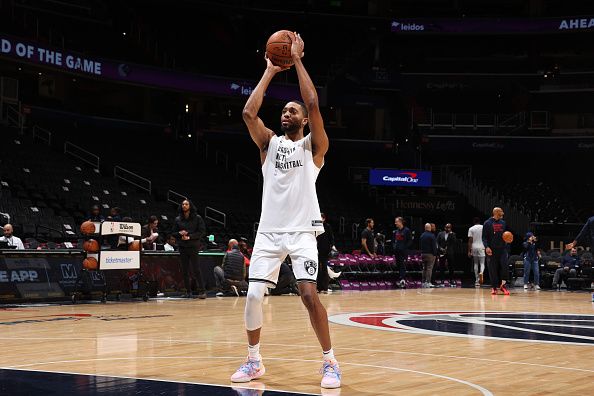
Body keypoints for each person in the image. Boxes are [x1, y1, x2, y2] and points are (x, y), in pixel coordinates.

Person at [231, 33, 341, 389]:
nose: (286, 113)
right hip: (269, 231)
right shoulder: (269, 145)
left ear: (304, 120)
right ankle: (253, 361)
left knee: (309, 295)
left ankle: (330, 362)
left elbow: (313, 103)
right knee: (252, 294)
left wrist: (297, 61)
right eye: (284, 110)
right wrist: (270, 70)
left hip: (302, 232)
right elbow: (249, 112)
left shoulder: (314, 148)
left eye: (292, 110)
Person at [172, 199, 206, 299]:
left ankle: (202, 291)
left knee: (196, 269)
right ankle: (188, 292)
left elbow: (202, 232)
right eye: (183, 204)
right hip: (182, 247)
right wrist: (179, 233)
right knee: (184, 270)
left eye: (186, 204)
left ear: (190, 206)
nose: (184, 206)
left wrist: (189, 237)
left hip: (193, 246)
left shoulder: (197, 218)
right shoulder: (178, 219)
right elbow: (173, 233)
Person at [483, 207, 510, 295]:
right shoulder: (487, 223)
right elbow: (484, 237)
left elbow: (505, 235)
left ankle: (503, 286)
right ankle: (494, 287)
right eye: (501, 211)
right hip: (491, 250)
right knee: (492, 269)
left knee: (505, 267)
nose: (503, 213)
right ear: (496, 212)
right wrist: (487, 247)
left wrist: (508, 240)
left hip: (502, 249)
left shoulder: (503, 223)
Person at [316, 213, 336, 294]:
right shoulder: (316, 227)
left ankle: (325, 287)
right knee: (317, 270)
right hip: (317, 250)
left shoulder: (327, 226)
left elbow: (331, 238)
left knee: (324, 269)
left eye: (321, 217)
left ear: (323, 219)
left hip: (325, 251)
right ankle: (318, 288)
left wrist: (331, 247)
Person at [393, 217, 412, 288]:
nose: (395, 223)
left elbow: (410, 241)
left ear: (400, 222)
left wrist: (404, 247)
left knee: (402, 266)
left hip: (403, 252)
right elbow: (393, 241)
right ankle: (401, 280)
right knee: (398, 266)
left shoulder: (407, 230)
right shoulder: (396, 231)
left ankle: (403, 280)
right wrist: (394, 247)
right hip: (397, 252)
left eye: (396, 222)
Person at [468, 217, 485, 287]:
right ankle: (481, 272)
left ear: (473, 222)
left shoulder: (471, 228)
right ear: (479, 221)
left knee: (475, 263)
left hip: (474, 247)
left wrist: (469, 251)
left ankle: (476, 280)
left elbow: (470, 241)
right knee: (482, 263)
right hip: (482, 246)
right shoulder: (483, 227)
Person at [420, 223, 437, 288]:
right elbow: (434, 246)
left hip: (423, 254)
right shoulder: (432, 235)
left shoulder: (422, 235)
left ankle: (423, 282)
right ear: (429, 228)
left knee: (424, 268)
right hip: (430, 254)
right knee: (429, 268)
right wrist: (435, 254)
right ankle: (428, 282)